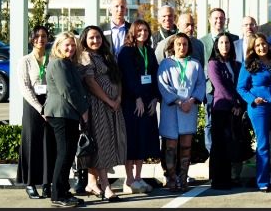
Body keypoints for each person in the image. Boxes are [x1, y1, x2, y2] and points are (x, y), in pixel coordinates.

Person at [78, 25, 126, 201]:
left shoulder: (107, 55)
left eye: (98, 37)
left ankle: (92, 181)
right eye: (91, 37)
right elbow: (90, 82)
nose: (95, 41)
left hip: (113, 106)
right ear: (84, 39)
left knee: (107, 143)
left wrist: (119, 98)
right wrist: (109, 100)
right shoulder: (84, 56)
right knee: (101, 144)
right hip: (98, 106)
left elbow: (117, 79)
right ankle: (106, 187)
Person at [43, 32, 89, 208]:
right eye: (66, 45)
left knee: (68, 154)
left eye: (72, 45)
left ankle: (63, 191)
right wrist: (84, 111)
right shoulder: (58, 63)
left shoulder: (67, 63)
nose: (70, 48)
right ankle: (58, 195)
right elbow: (67, 91)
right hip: (62, 114)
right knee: (64, 154)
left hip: (68, 114)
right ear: (58, 46)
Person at [157, 33, 206, 193]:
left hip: (189, 109)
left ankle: (183, 177)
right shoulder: (166, 63)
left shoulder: (195, 64)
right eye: (178, 44)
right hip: (171, 109)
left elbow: (200, 85)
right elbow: (163, 85)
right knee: (170, 145)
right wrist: (178, 101)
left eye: (185, 44)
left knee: (186, 145)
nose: (182, 47)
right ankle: (171, 177)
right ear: (173, 46)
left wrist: (191, 101)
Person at [239, 35, 271, 192]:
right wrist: (253, 99)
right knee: (263, 144)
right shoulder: (248, 64)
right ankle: (263, 181)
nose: (261, 48)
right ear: (253, 47)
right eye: (258, 45)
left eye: (263, 44)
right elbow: (241, 88)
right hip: (259, 108)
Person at [117, 19, 159, 194]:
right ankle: (129, 179)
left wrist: (155, 98)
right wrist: (137, 98)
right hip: (132, 103)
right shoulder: (126, 52)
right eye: (139, 30)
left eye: (146, 30)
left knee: (143, 138)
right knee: (132, 139)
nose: (143, 33)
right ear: (133, 32)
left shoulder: (149, 50)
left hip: (148, 101)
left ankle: (139, 176)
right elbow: (127, 77)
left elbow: (155, 73)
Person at [18, 25, 55, 199]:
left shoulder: (52, 59)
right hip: (33, 106)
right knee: (31, 143)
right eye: (37, 36)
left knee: (49, 144)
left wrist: (49, 106)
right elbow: (25, 87)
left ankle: (47, 183)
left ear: (48, 39)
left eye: (44, 36)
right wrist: (40, 108)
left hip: (50, 104)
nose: (41, 39)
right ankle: (30, 183)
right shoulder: (25, 60)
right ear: (32, 39)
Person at [206, 33, 245, 191]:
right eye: (221, 42)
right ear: (217, 45)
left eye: (227, 42)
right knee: (219, 146)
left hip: (235, 111)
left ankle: (229, 179)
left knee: (231, 145)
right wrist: (234, 102)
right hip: (221, 109)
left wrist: (241, 104)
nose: (225, 45)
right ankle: (218, 180)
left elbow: (241, 85)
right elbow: (220, 86)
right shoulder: (213, 63)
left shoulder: (236, 64)